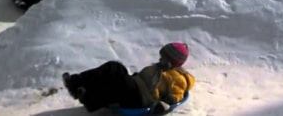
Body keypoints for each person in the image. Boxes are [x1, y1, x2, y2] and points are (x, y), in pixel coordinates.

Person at [63, 42, 194, 114]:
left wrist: (163, 105)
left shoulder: (179, 78)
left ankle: (88, 99)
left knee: (117, 74)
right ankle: (77, 86)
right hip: (136, 89)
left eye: (164, 57)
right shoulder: (159, 67)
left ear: (174, 61)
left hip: (144, 100)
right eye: (161, 55)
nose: (160, 59)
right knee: (114, 68)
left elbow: (175, 97)